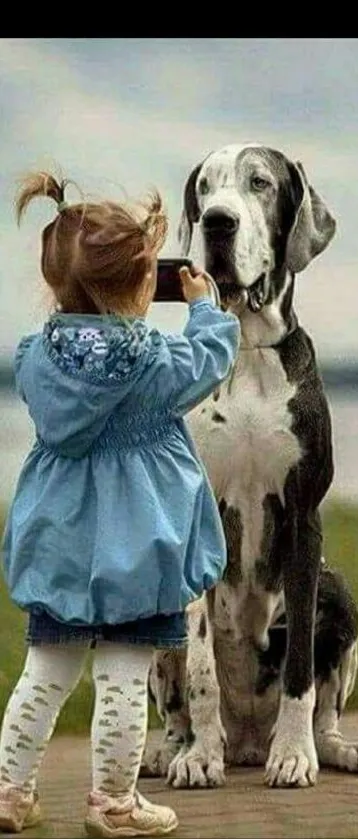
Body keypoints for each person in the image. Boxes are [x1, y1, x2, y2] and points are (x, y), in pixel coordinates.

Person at [0, 171, 241, 837]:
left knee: (43, 674)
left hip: (60, 539)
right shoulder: (152, 362)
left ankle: (8, 793)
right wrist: (203, 308)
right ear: (140, 286)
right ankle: (113, 802)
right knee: (122, 679)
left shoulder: (36, 359)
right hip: (141, 545)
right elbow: (206, 361)